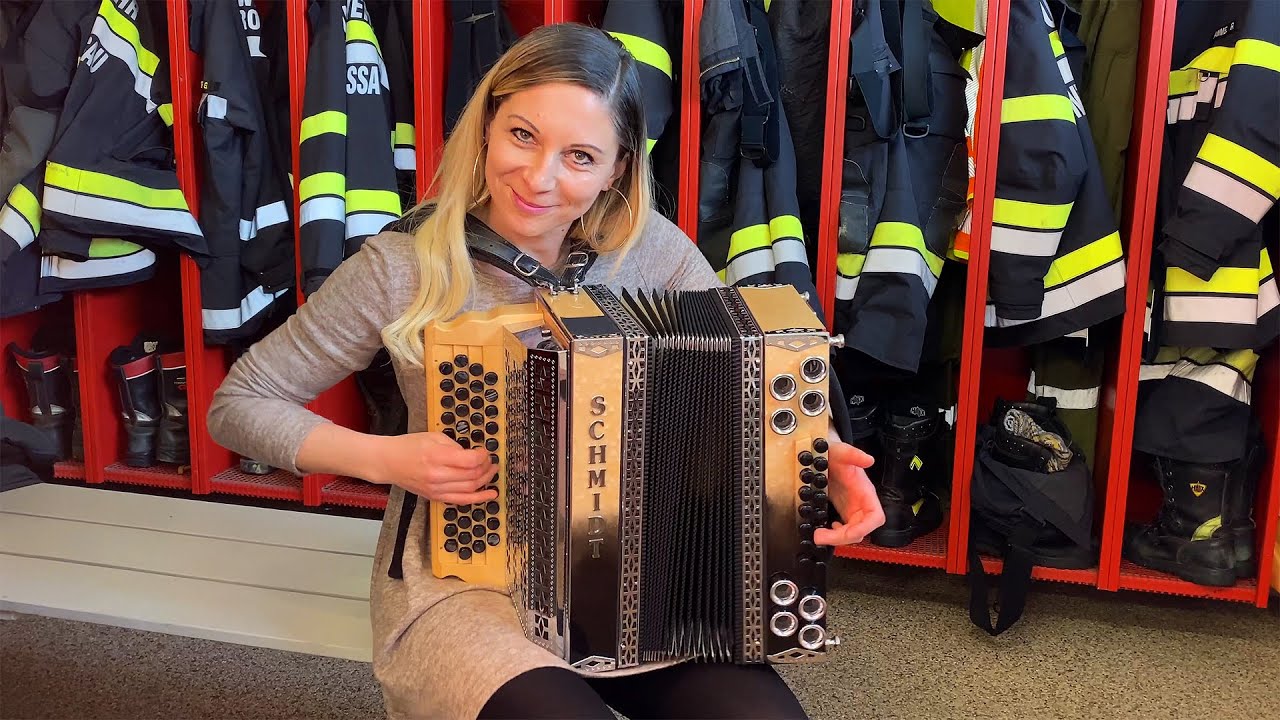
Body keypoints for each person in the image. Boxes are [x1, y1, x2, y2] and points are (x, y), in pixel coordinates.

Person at [207, 22, 885, 720]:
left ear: (617, 169)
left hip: (639, 579)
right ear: (488, 122)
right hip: (468, 582)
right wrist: (385, 457)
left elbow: (743, 374)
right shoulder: (403, 263)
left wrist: (814, 455)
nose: (538, 179)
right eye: (522, 135)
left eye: (580, 156)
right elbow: (240, 402)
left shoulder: (649, 248)